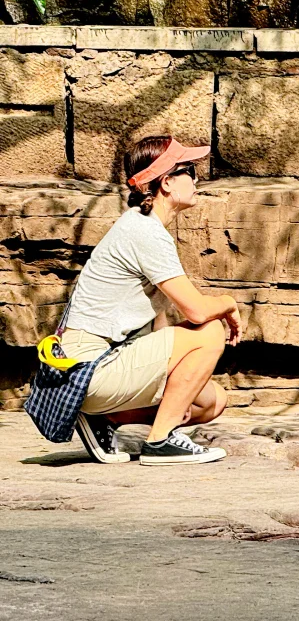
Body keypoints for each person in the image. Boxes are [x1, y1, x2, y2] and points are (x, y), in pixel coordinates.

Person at [59, 134, 239, 465]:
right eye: (190, 171)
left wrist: (175, 387)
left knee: (212, 402)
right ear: (167, 182)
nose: (197, 179)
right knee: (211, 329)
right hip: (88, 369)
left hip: (104, 367)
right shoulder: (144, 232)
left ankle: (107, 420)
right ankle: (161, 442)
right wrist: (229, 304)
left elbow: (160, 324)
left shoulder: (143, 226)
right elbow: (197, 311)